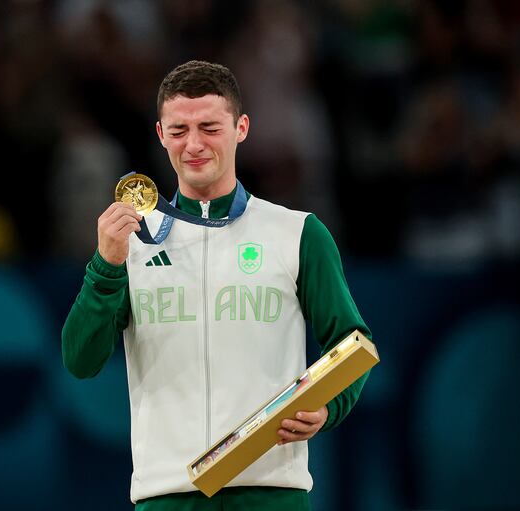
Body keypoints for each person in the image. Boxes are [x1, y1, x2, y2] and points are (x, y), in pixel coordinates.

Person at [62, 60, 372, 510]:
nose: (193, 144)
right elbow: (80, 360)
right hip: (166, 496)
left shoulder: (298, 233)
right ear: (160, 134)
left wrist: (328, 409)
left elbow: (352, 345)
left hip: (272, 493)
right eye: (178, 130)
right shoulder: (130, 242)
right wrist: (105, 266)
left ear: (241, 127)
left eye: (209, 127)